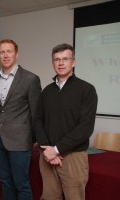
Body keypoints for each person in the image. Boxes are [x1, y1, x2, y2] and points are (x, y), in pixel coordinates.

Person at [34, 43, 98, 200]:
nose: (61, 63)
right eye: (56, 59)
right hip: (47, 155)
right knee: (49, 197)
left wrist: (57, 149)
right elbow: (37, 120)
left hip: (72, 157)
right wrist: (48, 149)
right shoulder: (46, 91)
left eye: (65, 59)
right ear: (52, 63)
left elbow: (85, 128)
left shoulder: (87, 90)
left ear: (73, 62)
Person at [0, 39, 42, 200]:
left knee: (21, 184)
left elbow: (37, 113)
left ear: (16, 54)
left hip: (20, 141)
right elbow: (1, 109)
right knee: (5, 182)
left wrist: (32, 139)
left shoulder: (30, 79)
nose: (5, 55)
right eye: (2, 52)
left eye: (9, 51)